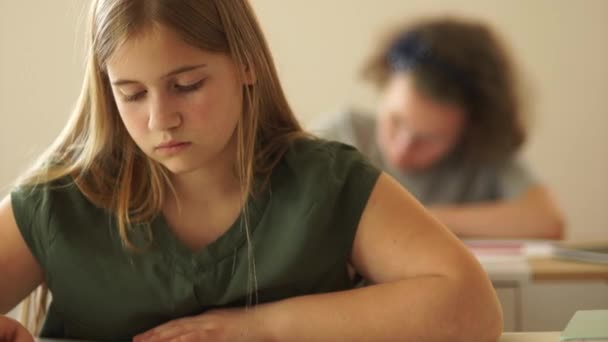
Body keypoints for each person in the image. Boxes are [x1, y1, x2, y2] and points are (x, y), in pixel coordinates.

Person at [0, 1, 502, 341]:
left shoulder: (326, 182)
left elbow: (473, 308)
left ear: (246, 65)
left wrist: (259, 327)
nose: (159, 119)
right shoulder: (59, 201)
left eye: (188, 84)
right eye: (131, 94)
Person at [316, 17, 564, 240]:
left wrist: (414, 218)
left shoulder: (483, 153)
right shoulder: (344, 134)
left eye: (429, 138)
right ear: (384, 86)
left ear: (471, 128)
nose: (402, 149)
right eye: (396, 120)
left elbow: (546, 221)